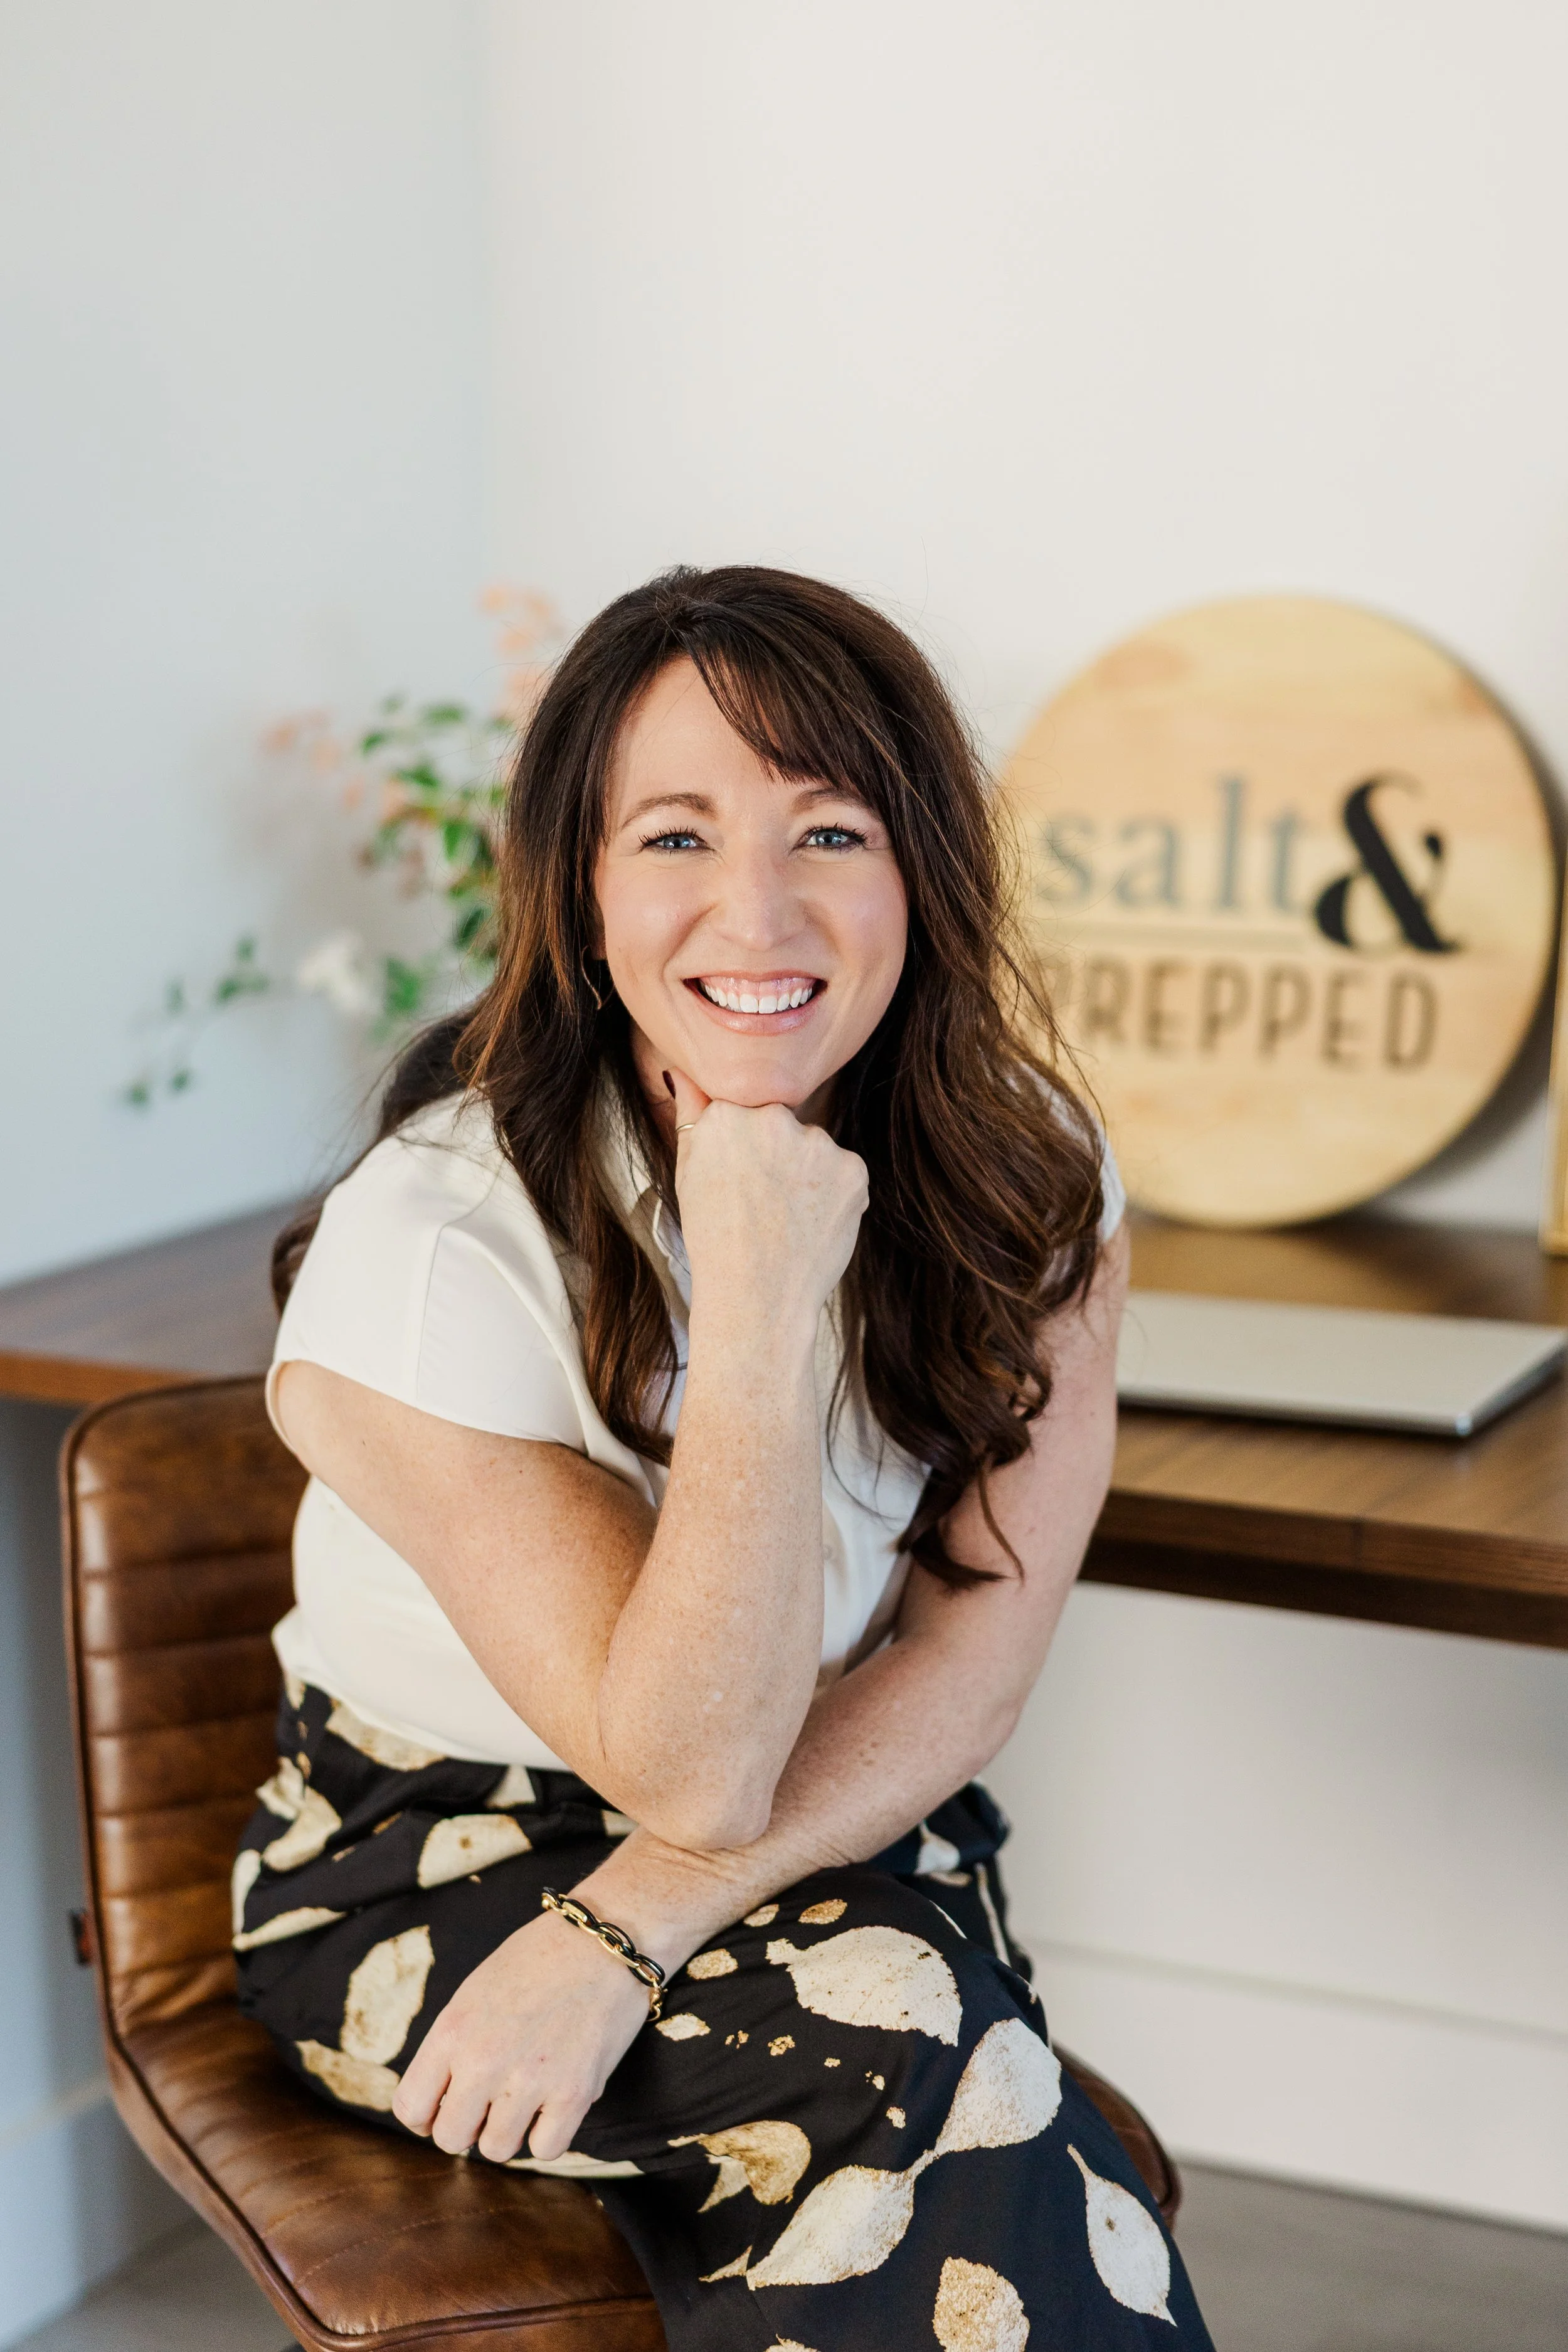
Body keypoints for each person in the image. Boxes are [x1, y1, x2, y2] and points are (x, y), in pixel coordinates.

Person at [236, 566, 1214, 2348]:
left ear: (925, 871)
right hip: (435, 1854)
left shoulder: (1032, 1177)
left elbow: (968, 1658)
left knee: (920, 2046)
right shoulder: (438, 1242)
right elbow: (690, 1769)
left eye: (829, 831)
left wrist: (629, 1931)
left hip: (835, 1804)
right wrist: (759, 1304)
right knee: (930, 2056)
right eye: (674, 836)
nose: (755, 911)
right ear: (581, 891)